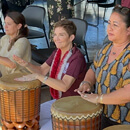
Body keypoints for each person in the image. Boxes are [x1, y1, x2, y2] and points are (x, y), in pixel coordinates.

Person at [13, 19, 87, 129]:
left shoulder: (76, 58)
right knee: (28, 118)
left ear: (71, 37)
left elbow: (64, 86)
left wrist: (38, 77)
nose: (56, 38)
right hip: (58, 101)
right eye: (55, 35)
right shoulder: (57, 52)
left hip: (73, 105)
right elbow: (42, 70)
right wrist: (26, 65)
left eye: (61, 35)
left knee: (41, 127)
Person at [75, 5, 130, 129]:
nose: (109, 28)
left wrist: (99, 98)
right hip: (103, 114)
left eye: (115, 25)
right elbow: (93, 68)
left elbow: (128, 92)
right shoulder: (106, 48)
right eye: (109, 23)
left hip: (123, 122)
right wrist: (87, 82)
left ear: (128, 30)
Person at [0, 11, 31, 76]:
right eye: (5, 23)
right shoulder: (5, 38)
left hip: (19, 79)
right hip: (5, 76)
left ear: (19, 26)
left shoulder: (23, 41)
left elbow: (12, 64)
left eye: (9, 24)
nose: (5, 27)